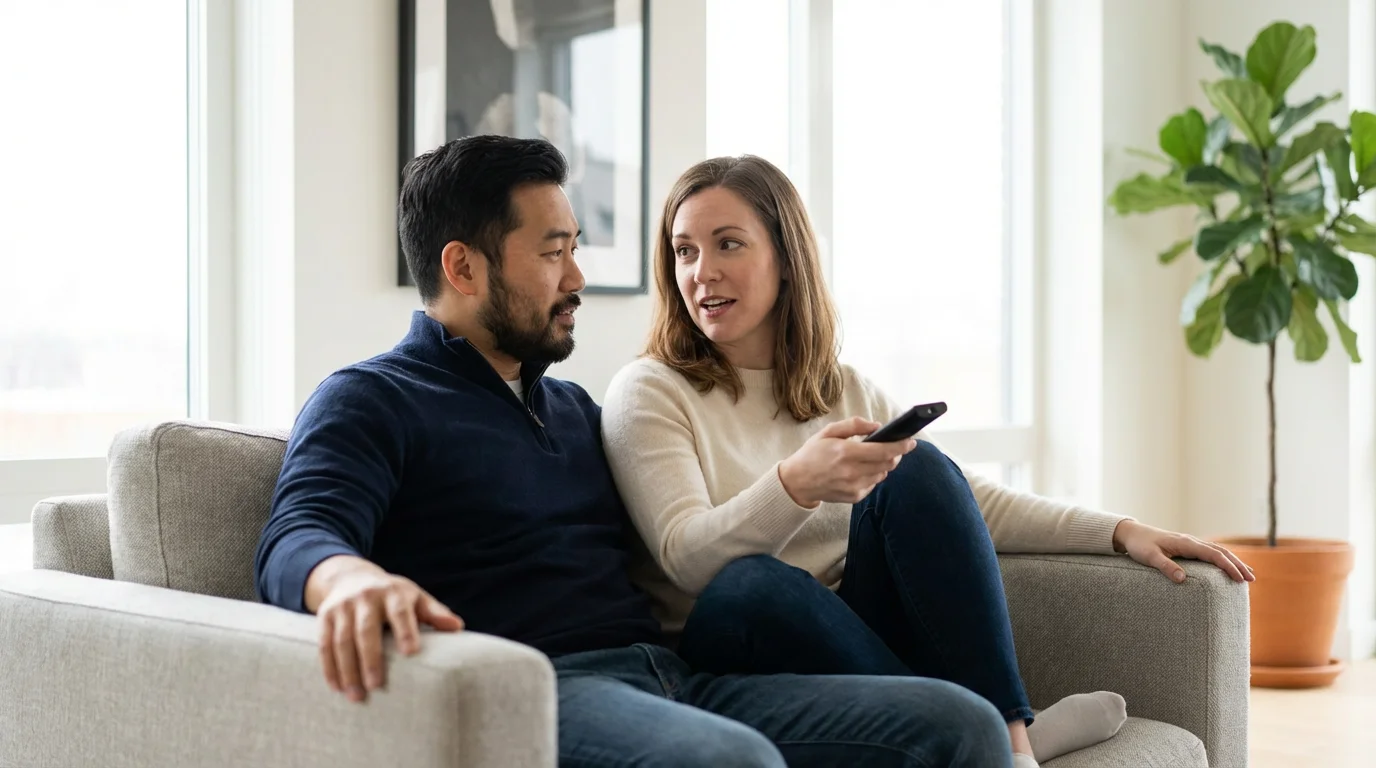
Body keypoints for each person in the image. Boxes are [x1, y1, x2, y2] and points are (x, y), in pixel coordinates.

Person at [253, 135, 1017, 767]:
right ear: (463, 267)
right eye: (554, 253)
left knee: (962, 724)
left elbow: (691, 536)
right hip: (539, 688)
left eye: (575, 250)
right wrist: (347, 582)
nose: (578, 278)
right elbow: (297, 532)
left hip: (679, 677)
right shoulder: (372, 397)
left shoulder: (572, 410)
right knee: (731, 763)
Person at [600, 154, 1257, 768]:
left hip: (850, 637)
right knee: (755, 585)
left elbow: (971, 503)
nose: (700, 271)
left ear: (786, 256)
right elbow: (685, 557)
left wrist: (1120, 531)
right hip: (729, 648)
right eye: (684, 251)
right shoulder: (650, 391)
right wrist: (795, 485)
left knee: (920, 468)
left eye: (727, 243)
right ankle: (1006, 738)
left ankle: (1006, 739)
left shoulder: (842, 387)